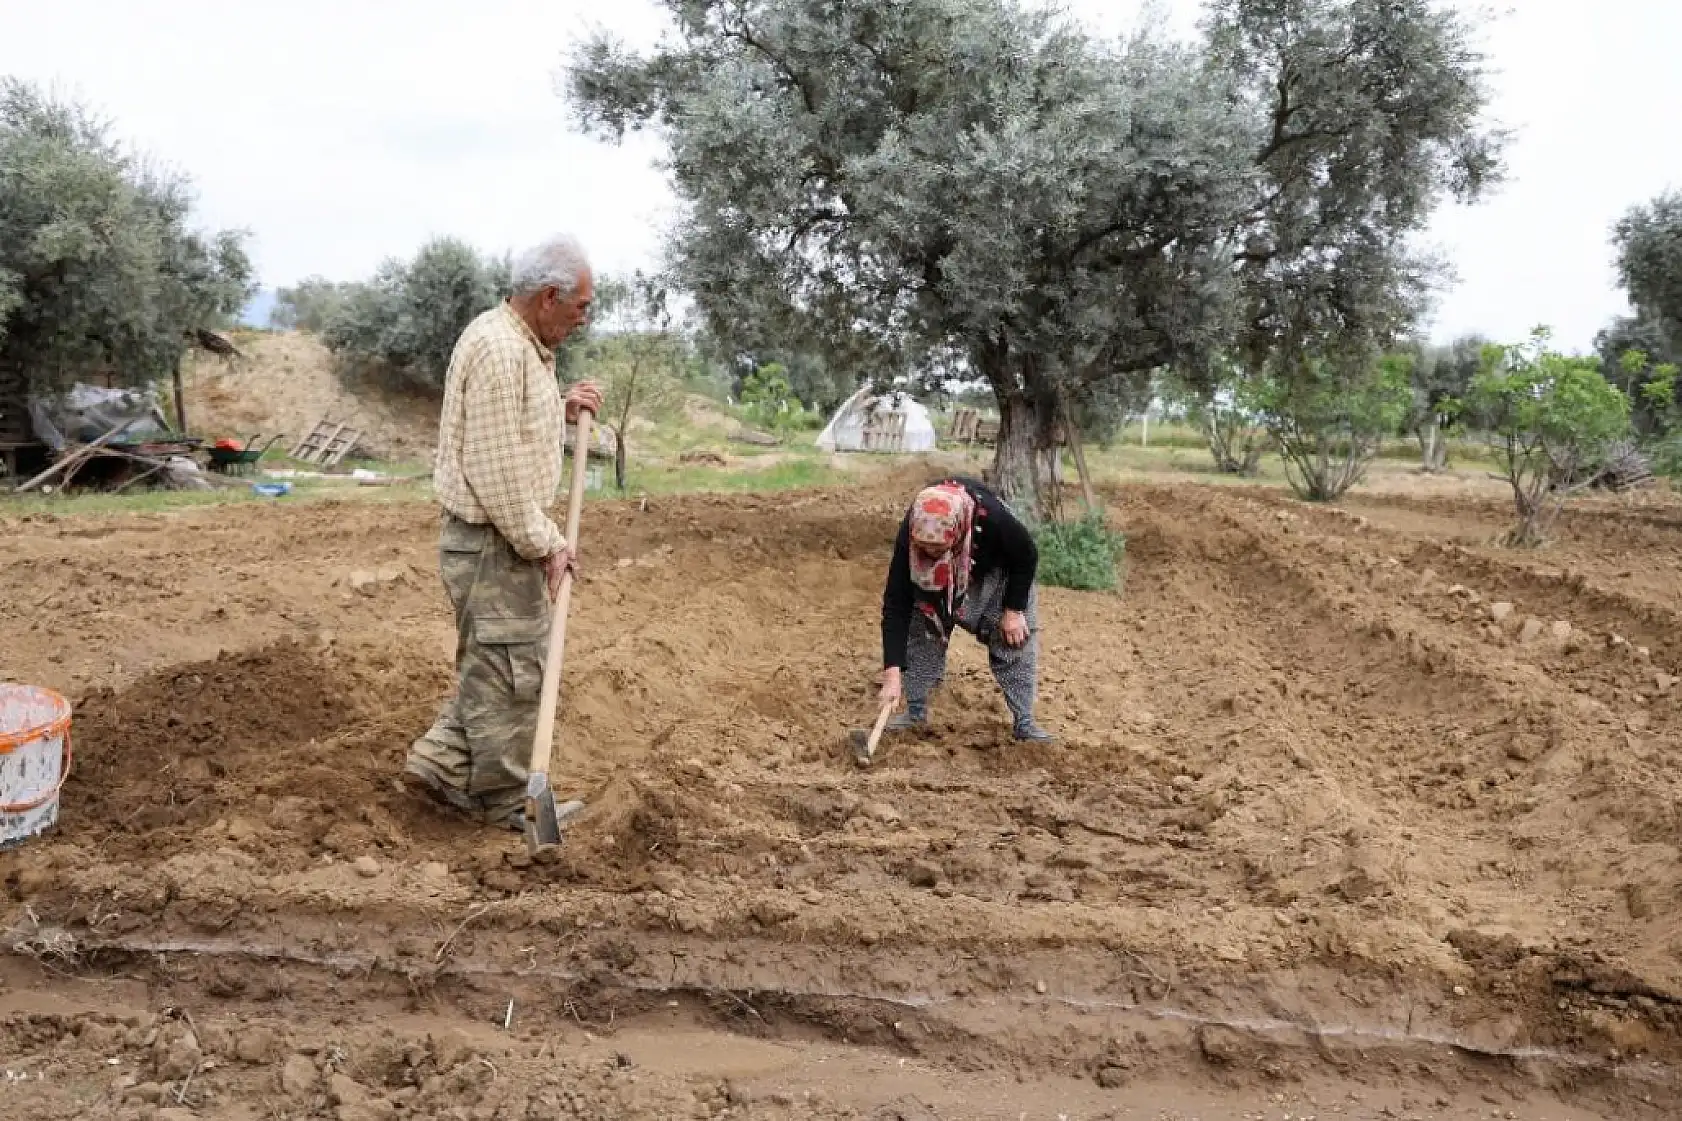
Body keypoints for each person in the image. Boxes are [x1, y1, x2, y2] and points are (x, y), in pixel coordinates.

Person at [401, 235, 604, 832]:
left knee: (493, 664)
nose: (584, 318)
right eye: (580, 307)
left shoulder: (520, 345)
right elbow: (496, 473)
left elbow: (506, 428)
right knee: (514, 670)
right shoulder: (498, 349)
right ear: (548, 297)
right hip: (492, 542)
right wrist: (548, 544)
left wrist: (558, 407)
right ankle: (504, 800)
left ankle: (438, 763)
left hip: (494, 539)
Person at [878, 476, 1054, 743]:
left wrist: (1014, 610)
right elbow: (896, 603)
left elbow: (1026, 555)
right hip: (937, 581)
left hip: (993, 572)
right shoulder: (913, 529)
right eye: (923, 548)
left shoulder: (993, 520)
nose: (930, 553)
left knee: (1014, 638)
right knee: (921, 625)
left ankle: (1024, 722)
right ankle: (915, 711)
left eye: (937, 548)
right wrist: (891, 673)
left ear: (957, 531)